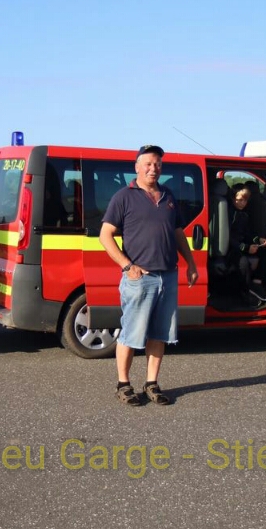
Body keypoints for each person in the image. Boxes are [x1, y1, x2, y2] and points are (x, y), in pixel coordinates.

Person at [99, 144, 199, 406]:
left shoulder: (168, 196)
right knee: (131, 333)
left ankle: (152, 384)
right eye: (148, 163)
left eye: (157, 164)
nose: (153, 168)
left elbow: (178, 233)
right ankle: (123, 384)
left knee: (160, 334)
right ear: (137, 167)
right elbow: (105, 235)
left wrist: (190, 262)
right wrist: (126, 265)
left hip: (167, 276)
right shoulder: (124, 197)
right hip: (139, 279)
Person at [228, 184, 266, 304]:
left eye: (245, 200)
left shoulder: (244, 214)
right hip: (231, 248)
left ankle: (257, 282)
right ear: (232, 198)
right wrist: (245, 248)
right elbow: (228, 237)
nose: (243, 203)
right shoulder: (229, 213)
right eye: (240, 200)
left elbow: (248, 233)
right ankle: (245, 291)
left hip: (242, 245)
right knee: (243, 263)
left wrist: (258, 240)